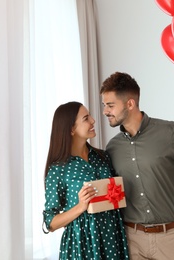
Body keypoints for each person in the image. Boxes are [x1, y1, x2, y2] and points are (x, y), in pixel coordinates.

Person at [99, 72, 174, 260]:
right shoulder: (112, 147)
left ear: (130, 104)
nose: (105, 111)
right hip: (132, 239)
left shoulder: (171, 132)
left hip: (172, 239)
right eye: (104, 105)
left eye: (110, 105)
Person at [43, 101, 129, 260]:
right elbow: (50, 222)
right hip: (82, 245)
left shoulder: (103, 157)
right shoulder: (58, 169)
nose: (93, 121)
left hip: (112, 237)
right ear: (71, 129)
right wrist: (81, 206)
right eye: (86, 118)